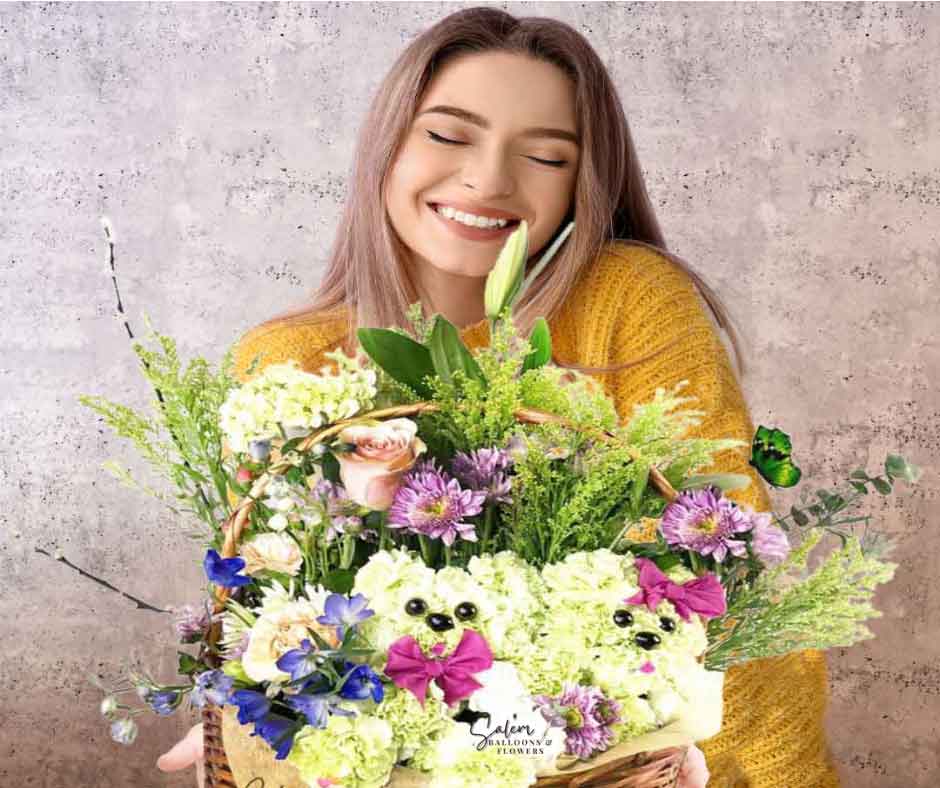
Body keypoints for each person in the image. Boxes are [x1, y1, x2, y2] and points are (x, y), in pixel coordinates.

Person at [158, 7, 841, 787]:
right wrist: (251, 704)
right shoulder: (288, 360)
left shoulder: (629, 298)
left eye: (546, 156)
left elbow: (728, 554)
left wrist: (713, 756)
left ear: (583, 183)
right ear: (387, 147)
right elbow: (266, 601)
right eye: (447, 135)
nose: (488, 179)